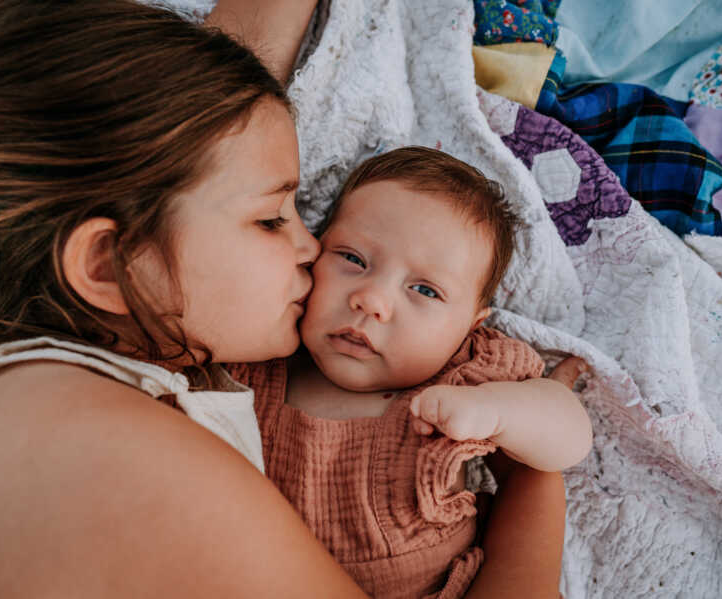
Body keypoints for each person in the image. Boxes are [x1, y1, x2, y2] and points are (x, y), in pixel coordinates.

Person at [0, 1, 571, 597]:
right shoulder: (105, 453)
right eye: (273, 218)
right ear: (109, 262)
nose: (313, 246)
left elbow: (205, 129)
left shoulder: (53, 365)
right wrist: (535, 472)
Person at [228, 146, 592, 598]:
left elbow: (569, 442)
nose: (372, 301)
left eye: (424, 289)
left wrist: (499, 411)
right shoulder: (257, 358)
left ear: (469, 326)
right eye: (353, 259)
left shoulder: (463, 380)